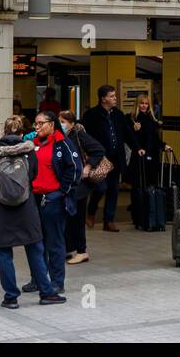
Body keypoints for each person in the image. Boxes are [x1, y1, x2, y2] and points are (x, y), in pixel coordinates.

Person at [0, 115, 65, 307]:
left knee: (4, 253)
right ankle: (46, 293)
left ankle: (11, 297)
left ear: (3, 132)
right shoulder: (29, 153)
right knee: (35, 249)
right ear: (21, 133)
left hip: (1, 211)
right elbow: (33, 176)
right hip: (27, 209)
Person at [31, 110, 79, 298]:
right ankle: (38, 279)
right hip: (35, 199)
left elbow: (75, 170)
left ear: (51, 125)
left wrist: (61, 192)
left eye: (41, 123)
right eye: (36, 123)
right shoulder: (33, 144)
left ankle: (57, 282)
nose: (37, 127)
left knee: (54, 242)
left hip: (53, 200)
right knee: (36, 242)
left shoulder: (63, 144)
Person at [58, 109, 106, 264]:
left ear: (72, 124)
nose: (61, 124)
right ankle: (67, 249)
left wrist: (87, 167)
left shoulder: (79, 136)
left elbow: (99, 150)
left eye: (64, 122)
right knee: (68, 218)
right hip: (68, 183)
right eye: (59, 121)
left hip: (80, 185)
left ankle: (81, 250)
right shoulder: (59, 138)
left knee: (77, 218)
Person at [83, 85, 127, 232]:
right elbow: (84, 137)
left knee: (114, 189)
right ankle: (91, 211)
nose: (115, 98)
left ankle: (109, 220)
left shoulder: (118, 115)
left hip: (116, 158)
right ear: (103, 99)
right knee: (101, 187)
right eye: (112, 96)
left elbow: (127, 133)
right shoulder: (91, 115)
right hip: (100, 158)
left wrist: (138, 146)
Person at [127, 94, 162, 229]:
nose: (144, 106)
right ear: (137, 104)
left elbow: (155, 139)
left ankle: (150, 216)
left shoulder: (151, 120)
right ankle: (138, 218)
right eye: (141, 103)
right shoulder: (132, 119)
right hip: (139, 158)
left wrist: (163, 146)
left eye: (146, 104)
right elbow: (130, 138)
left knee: (150, 187)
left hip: (151, 158)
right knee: (138, 187)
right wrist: (138, 146)